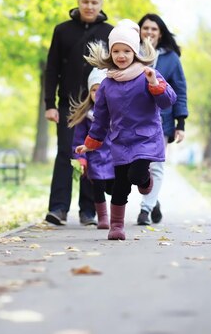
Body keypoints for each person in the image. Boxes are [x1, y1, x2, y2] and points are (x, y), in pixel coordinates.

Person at [75, 20, 177, 240]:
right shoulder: (107, 85)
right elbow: (100, 119)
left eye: (126, 51)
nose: (121, 56)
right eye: (116, 51)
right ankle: (117, 226)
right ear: (110, 54)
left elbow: (168, 101)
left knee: (136, 174)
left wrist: (154, 84)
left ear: (135, 52)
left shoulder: (148, 74)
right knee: (120, 185)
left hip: (146, 138)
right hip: (120, 141)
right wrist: (91, 142)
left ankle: (145, 181)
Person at [44, 0, 114, 226]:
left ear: (101, 5)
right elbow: (51, 69)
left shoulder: (109, 32)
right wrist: (49, 104)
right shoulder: (62, 31)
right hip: (68, 105)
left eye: (94, 2)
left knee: (92, 153)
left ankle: (89, 211)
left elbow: (116, 68)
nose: (89, 6)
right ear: (78, 1)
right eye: (85, 1)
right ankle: (58, 208)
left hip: (98, 105)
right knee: (65, 152)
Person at [135, 13, 188, 225]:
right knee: (138, 167)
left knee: (156, 165)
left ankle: (145, 209)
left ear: (160, 33)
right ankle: (153, 198)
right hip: (134, 120)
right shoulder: (129, 53)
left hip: (161, 121)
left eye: (154, 29)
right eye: (145, 28)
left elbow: (180, 90)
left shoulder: (171, 59)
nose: (149, 32)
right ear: (139, 31)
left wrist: (180, 122)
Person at [68, 68, 115, 229]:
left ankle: (116, 213)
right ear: (89, 93)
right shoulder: (86, 115)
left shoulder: (115, 112)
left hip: (113, 157)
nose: (97, 93)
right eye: (94, 90)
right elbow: (78, 140)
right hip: (94, 157)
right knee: (98, 187)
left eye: (101, 89)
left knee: (114, 188)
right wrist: (80, 158)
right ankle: (102, 217)